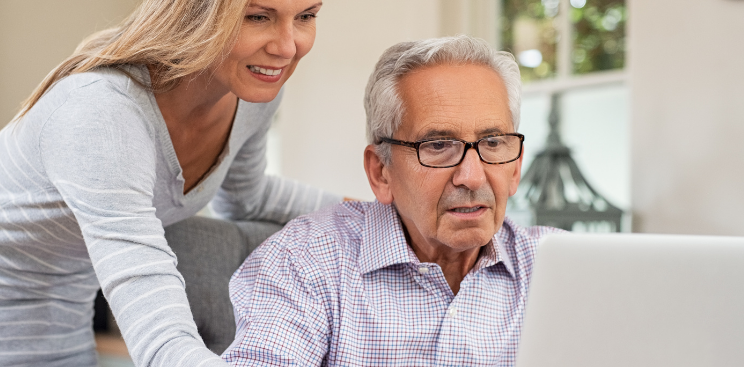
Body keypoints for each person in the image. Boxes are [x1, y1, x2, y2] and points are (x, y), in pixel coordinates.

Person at [0, 0, 336, 366]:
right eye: (258, 17)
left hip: (59, 313)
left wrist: (377, 209)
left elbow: (248, 196)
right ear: (195, 13)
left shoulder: (254, 94)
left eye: (306, 15)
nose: (288, 45)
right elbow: (150, 299)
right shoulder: (101, 110)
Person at [221, 35, 566, 366]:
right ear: (381, 172)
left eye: (492, 143)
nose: (473, 177)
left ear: (516, 168)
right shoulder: (305, 262)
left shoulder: (558, 269)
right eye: (438, 145)